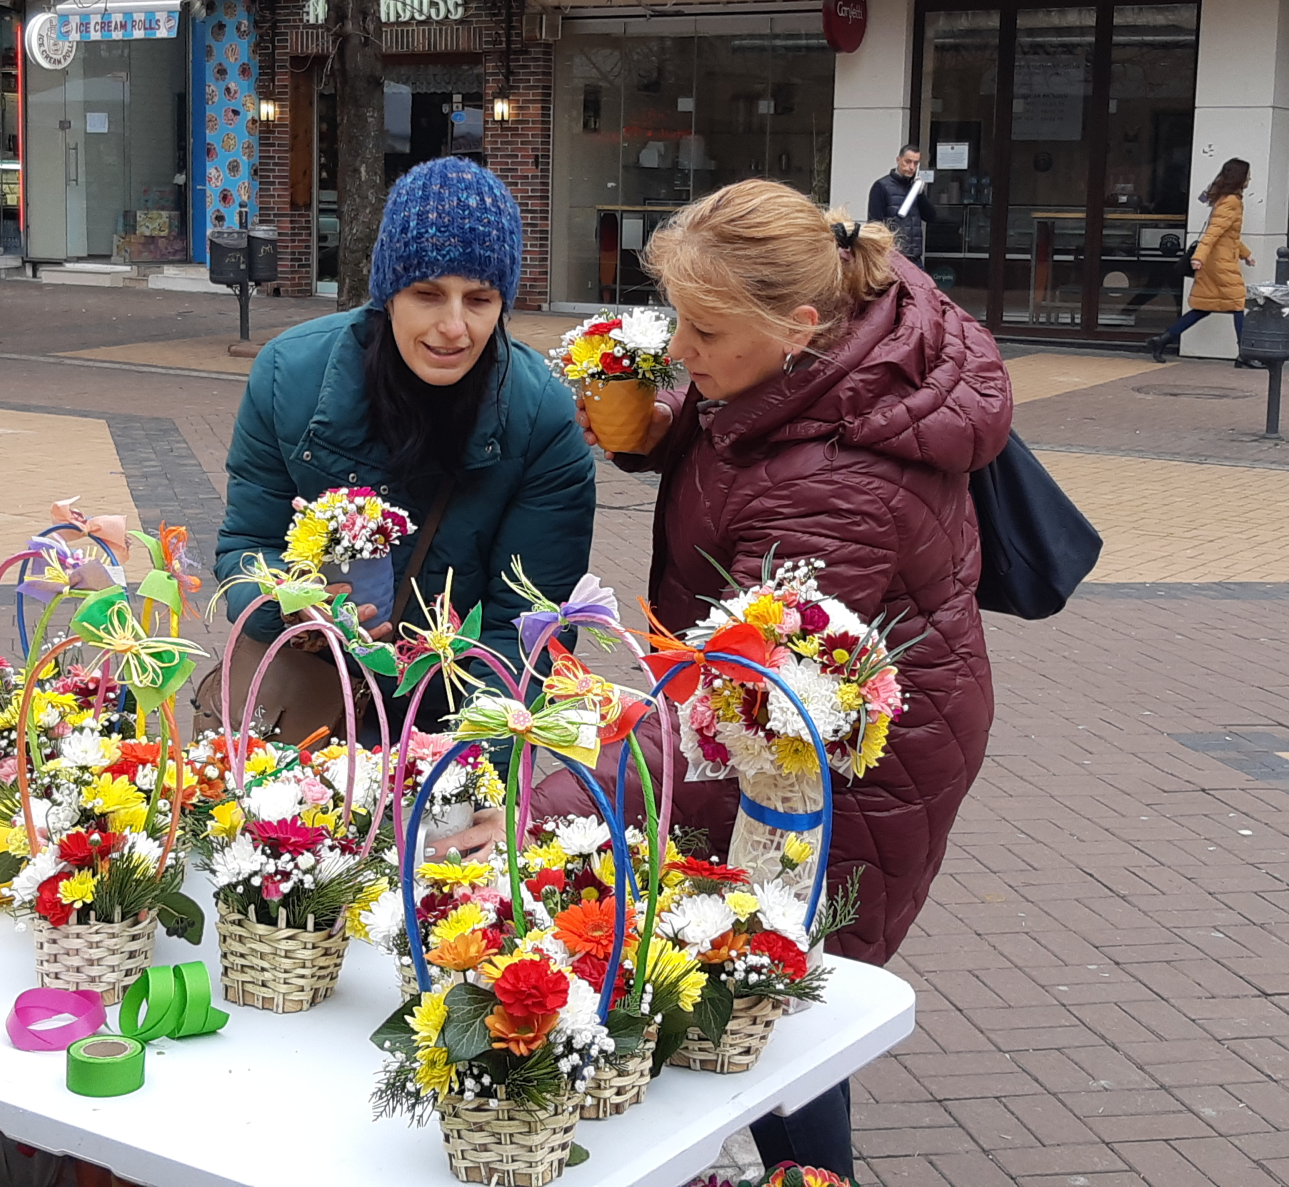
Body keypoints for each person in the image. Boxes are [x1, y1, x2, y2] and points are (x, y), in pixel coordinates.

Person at [520, 179, 1012, 1179]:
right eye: (677, 322)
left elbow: (738, 696)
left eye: (703, 331)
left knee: (777, 985)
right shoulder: (823, 351)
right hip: (794, 723)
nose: (683, 352)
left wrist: (541, 792)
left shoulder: (838, 483)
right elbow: (747, 437)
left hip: (850, 764)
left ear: (795, 327)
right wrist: (661, 427)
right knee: (756, 976)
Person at [214, 158, 596, 730]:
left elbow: (527, 630)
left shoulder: (540, 416)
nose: (453, 326)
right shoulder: (289, 376)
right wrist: (288, 607)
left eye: (480, 299)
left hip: (456, 718)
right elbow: (247, 546)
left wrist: (467, 777)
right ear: (388, 293)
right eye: (428, 293)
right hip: (313, 710)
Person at [1148, 158, 1256, 365]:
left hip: (1216, 260)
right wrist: (1198, 257)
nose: (1250, 178)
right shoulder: (1231, 201)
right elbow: (1213, 233)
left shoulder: (1226, 200)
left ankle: (1162, 340)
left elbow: (1228, 235)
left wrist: (1245, 254)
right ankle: (1245, 354)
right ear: (1240, 177)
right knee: (1237, 302)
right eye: (1248, 174)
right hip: (1220, 263)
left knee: (1204, 306)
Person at [866, 144, 935, 260]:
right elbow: (875, 224)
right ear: (898, 160)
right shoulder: (882, 186)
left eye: (915, 163)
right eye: (907, 162)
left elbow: (931, 217)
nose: (912, 167)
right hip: (892, 256)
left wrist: (920, 194)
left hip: (914, 256)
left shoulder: (914, 188)